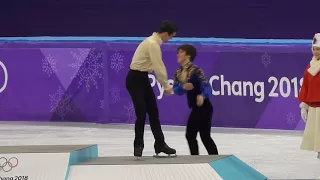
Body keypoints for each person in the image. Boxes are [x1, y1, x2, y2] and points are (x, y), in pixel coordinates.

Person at [126, 20, 178, 157]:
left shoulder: (153, 42)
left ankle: (160, 144)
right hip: (134, 80)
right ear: (166, 34)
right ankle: (138, 145)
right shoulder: (152, 44)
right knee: (141, 113)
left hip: (143, 79)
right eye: (171, 36)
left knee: (153, 113)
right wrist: (166, 86)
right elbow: (158, 66)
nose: (171, 39)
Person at [173, 44, 218, 155]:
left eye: (181, 52)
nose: (178, 54)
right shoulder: (178, 72)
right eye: (178, 52)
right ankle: (208, 159)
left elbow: (207, 86)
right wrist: (183, 86)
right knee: (204, 136)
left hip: (204, 107)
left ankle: (197, 160)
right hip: (195, 107)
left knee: (193, 135)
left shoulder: (196, 71)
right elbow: (177, 91)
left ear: (188, 55)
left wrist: (202, 95)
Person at [298, 33, 320, 160]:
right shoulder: (309, 67)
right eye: (314, 49)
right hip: (314, 110)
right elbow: (306, 87)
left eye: (318, 49)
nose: (316, 52)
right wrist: (304, 106)